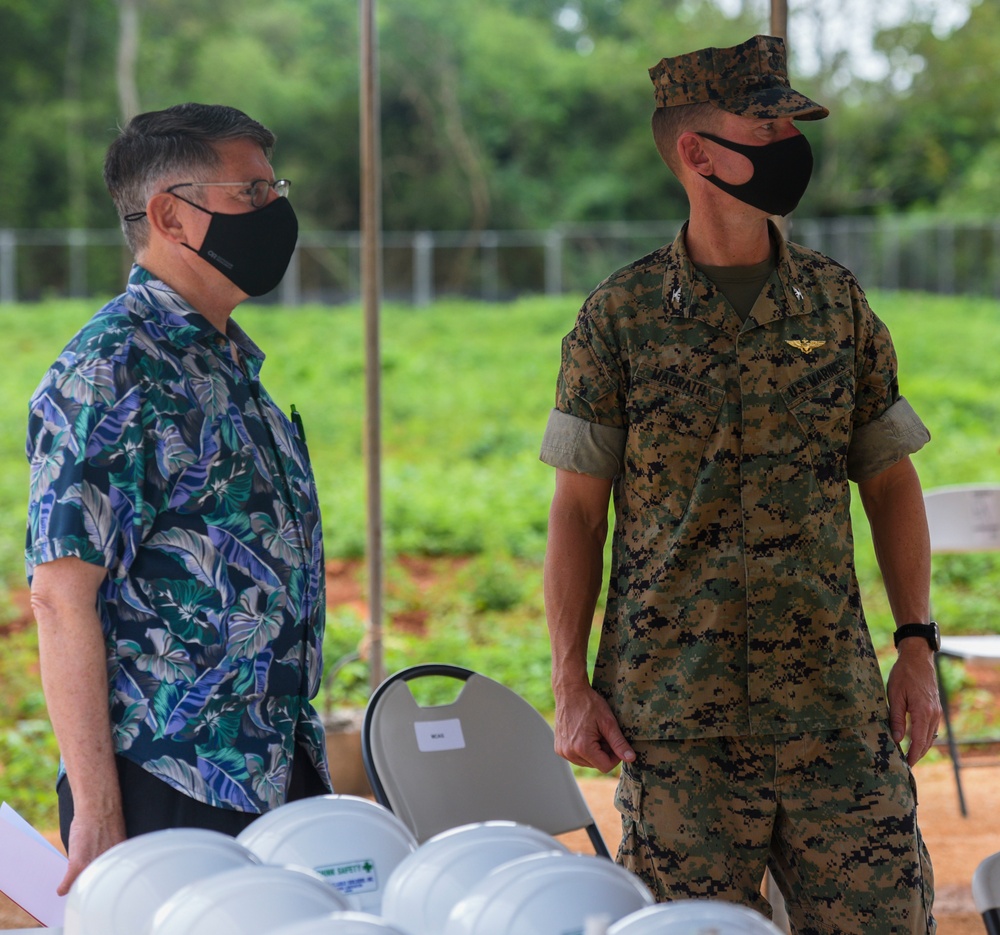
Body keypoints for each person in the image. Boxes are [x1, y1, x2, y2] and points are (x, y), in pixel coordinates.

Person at [539, 35, 940, 933]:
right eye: (763, 124)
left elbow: (890, 482)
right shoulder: (620, 317)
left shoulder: (838, 305)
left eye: (788, 121)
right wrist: (570, 684)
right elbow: (575, 511)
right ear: (696, 152)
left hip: (833, 712)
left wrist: (916, 643)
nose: (787, 142)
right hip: (675, 721)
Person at [26, 103, 331, 894]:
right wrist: (97, 806)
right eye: (252, 194)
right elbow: (61, 597)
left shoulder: (229, 364)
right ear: (170, 214)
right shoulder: (110, 369)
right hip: (167, 782)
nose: (276, 213)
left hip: (273, 768)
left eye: (275, 190)